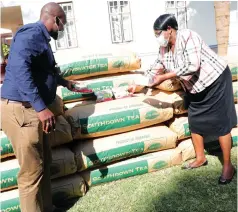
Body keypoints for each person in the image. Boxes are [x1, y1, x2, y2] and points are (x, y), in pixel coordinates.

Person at [1, 2, 76, 212]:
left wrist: (64, 83)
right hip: (21, 110)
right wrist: (41, 108)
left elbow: (44, 71)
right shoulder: (31, 34)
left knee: (43, 163)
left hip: (32, 109)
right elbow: (17, 68)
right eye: (63, 24)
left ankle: (48, 208)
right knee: (31, 173)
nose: (62, 29)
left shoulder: (41, 38)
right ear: (55, 19)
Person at [148, 14, 236, 184]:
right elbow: (156, 67)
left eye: (158, 34)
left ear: (169, 29)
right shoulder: (164, 49)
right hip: (195, 87)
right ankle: (200, 158)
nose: (157, 38)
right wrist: (142, 82)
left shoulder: (188, 36)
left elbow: (192, 66)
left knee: (221, 123)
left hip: (215, 80)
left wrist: (164, 76)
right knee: (194, 120)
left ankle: (228, 166)